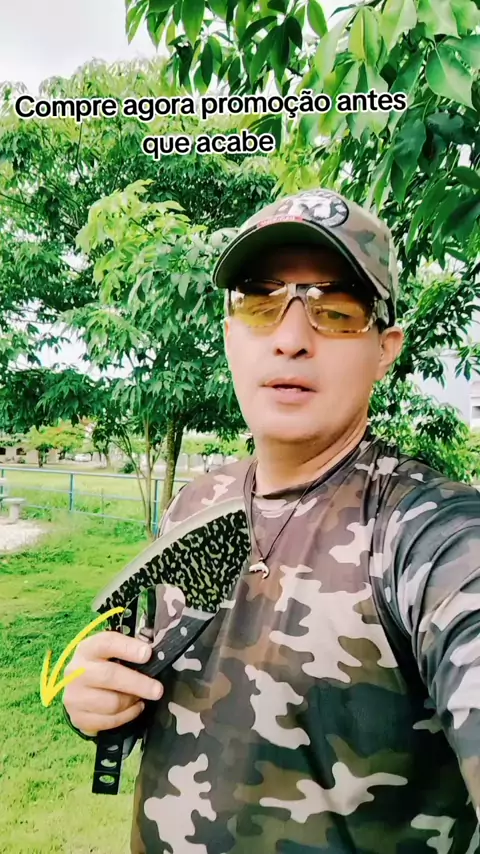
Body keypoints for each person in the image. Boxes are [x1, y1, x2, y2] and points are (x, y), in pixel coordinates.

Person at [63, 187, 480, 853]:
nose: (290, 339)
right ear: (231, 335)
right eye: (260, 303)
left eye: (335, 311)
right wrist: (100, 700)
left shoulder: (428, 533)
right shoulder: (197, 502)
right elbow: (151, 681)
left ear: (385, 348)